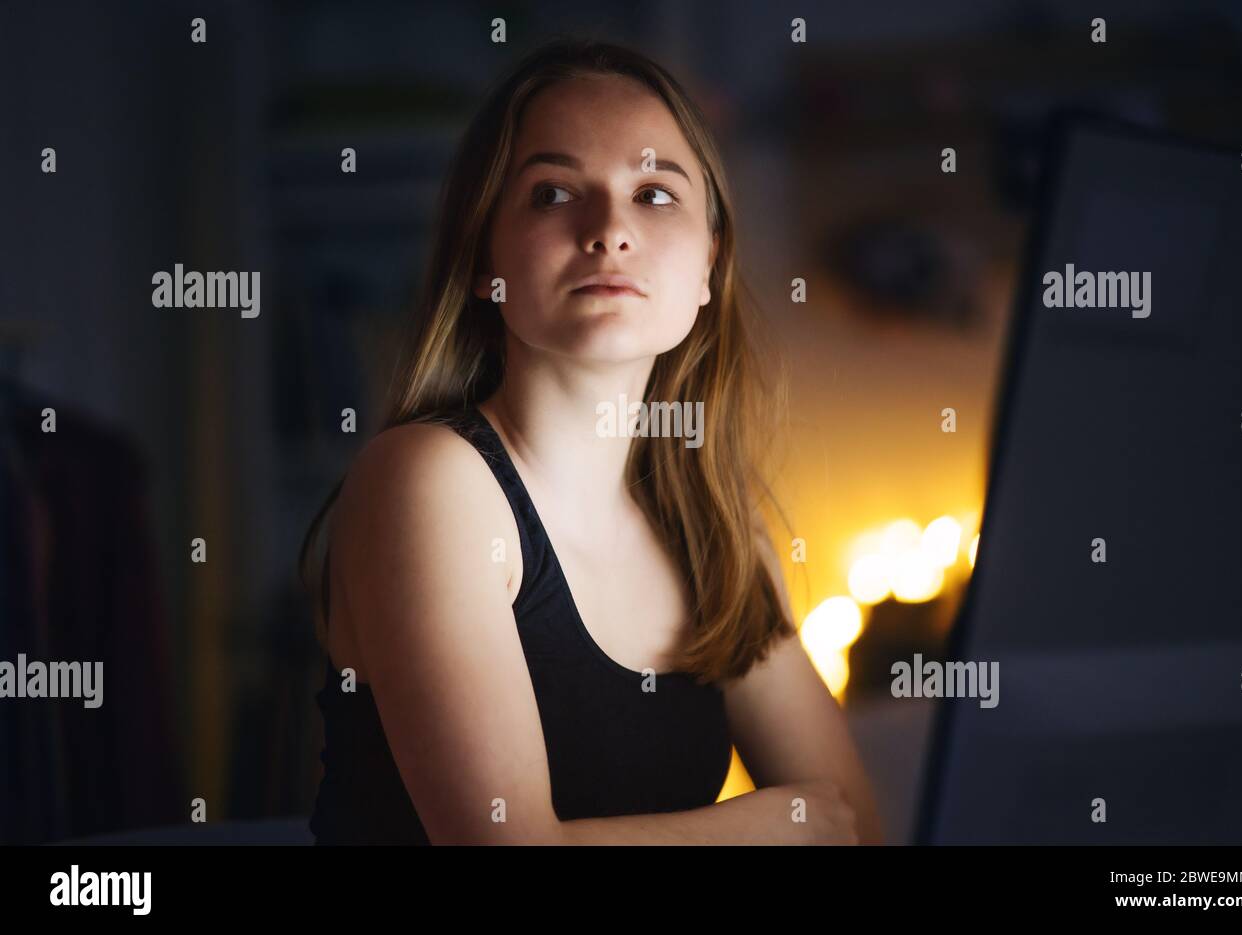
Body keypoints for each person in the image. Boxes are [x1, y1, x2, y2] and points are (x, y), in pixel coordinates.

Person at [301, 36, 882, 845]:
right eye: (551, 193)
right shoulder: (429, 481)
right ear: (481, 256)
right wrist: (770, 826)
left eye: (654, 193)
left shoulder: (717, 530)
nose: (610, 229)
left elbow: (854, 825)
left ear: (710, 261)